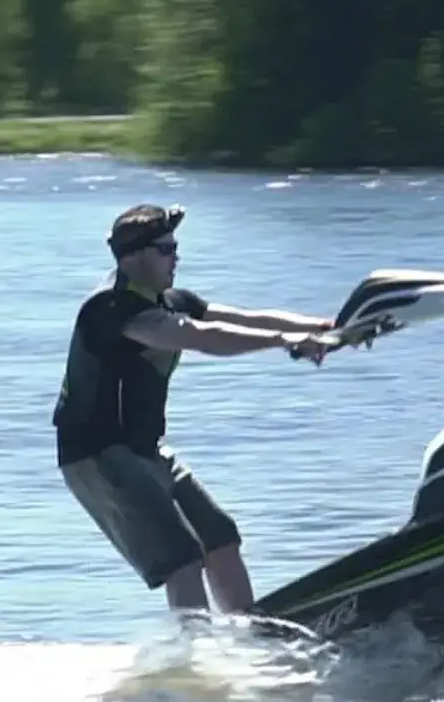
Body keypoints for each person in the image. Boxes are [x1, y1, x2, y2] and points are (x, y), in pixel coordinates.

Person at [52, 202, 335, 615]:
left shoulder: (172, 300)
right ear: (133, 258)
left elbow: (245, 319)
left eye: (175, 247)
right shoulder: (109, 310)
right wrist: (285, 342)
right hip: (97, 455)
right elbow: (201, 336)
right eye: (166, 249)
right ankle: (198, 649)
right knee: (182, 558)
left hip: (145, 449)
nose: (176, 257)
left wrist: (324, 327)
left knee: (220, 537)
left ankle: (252, 634)